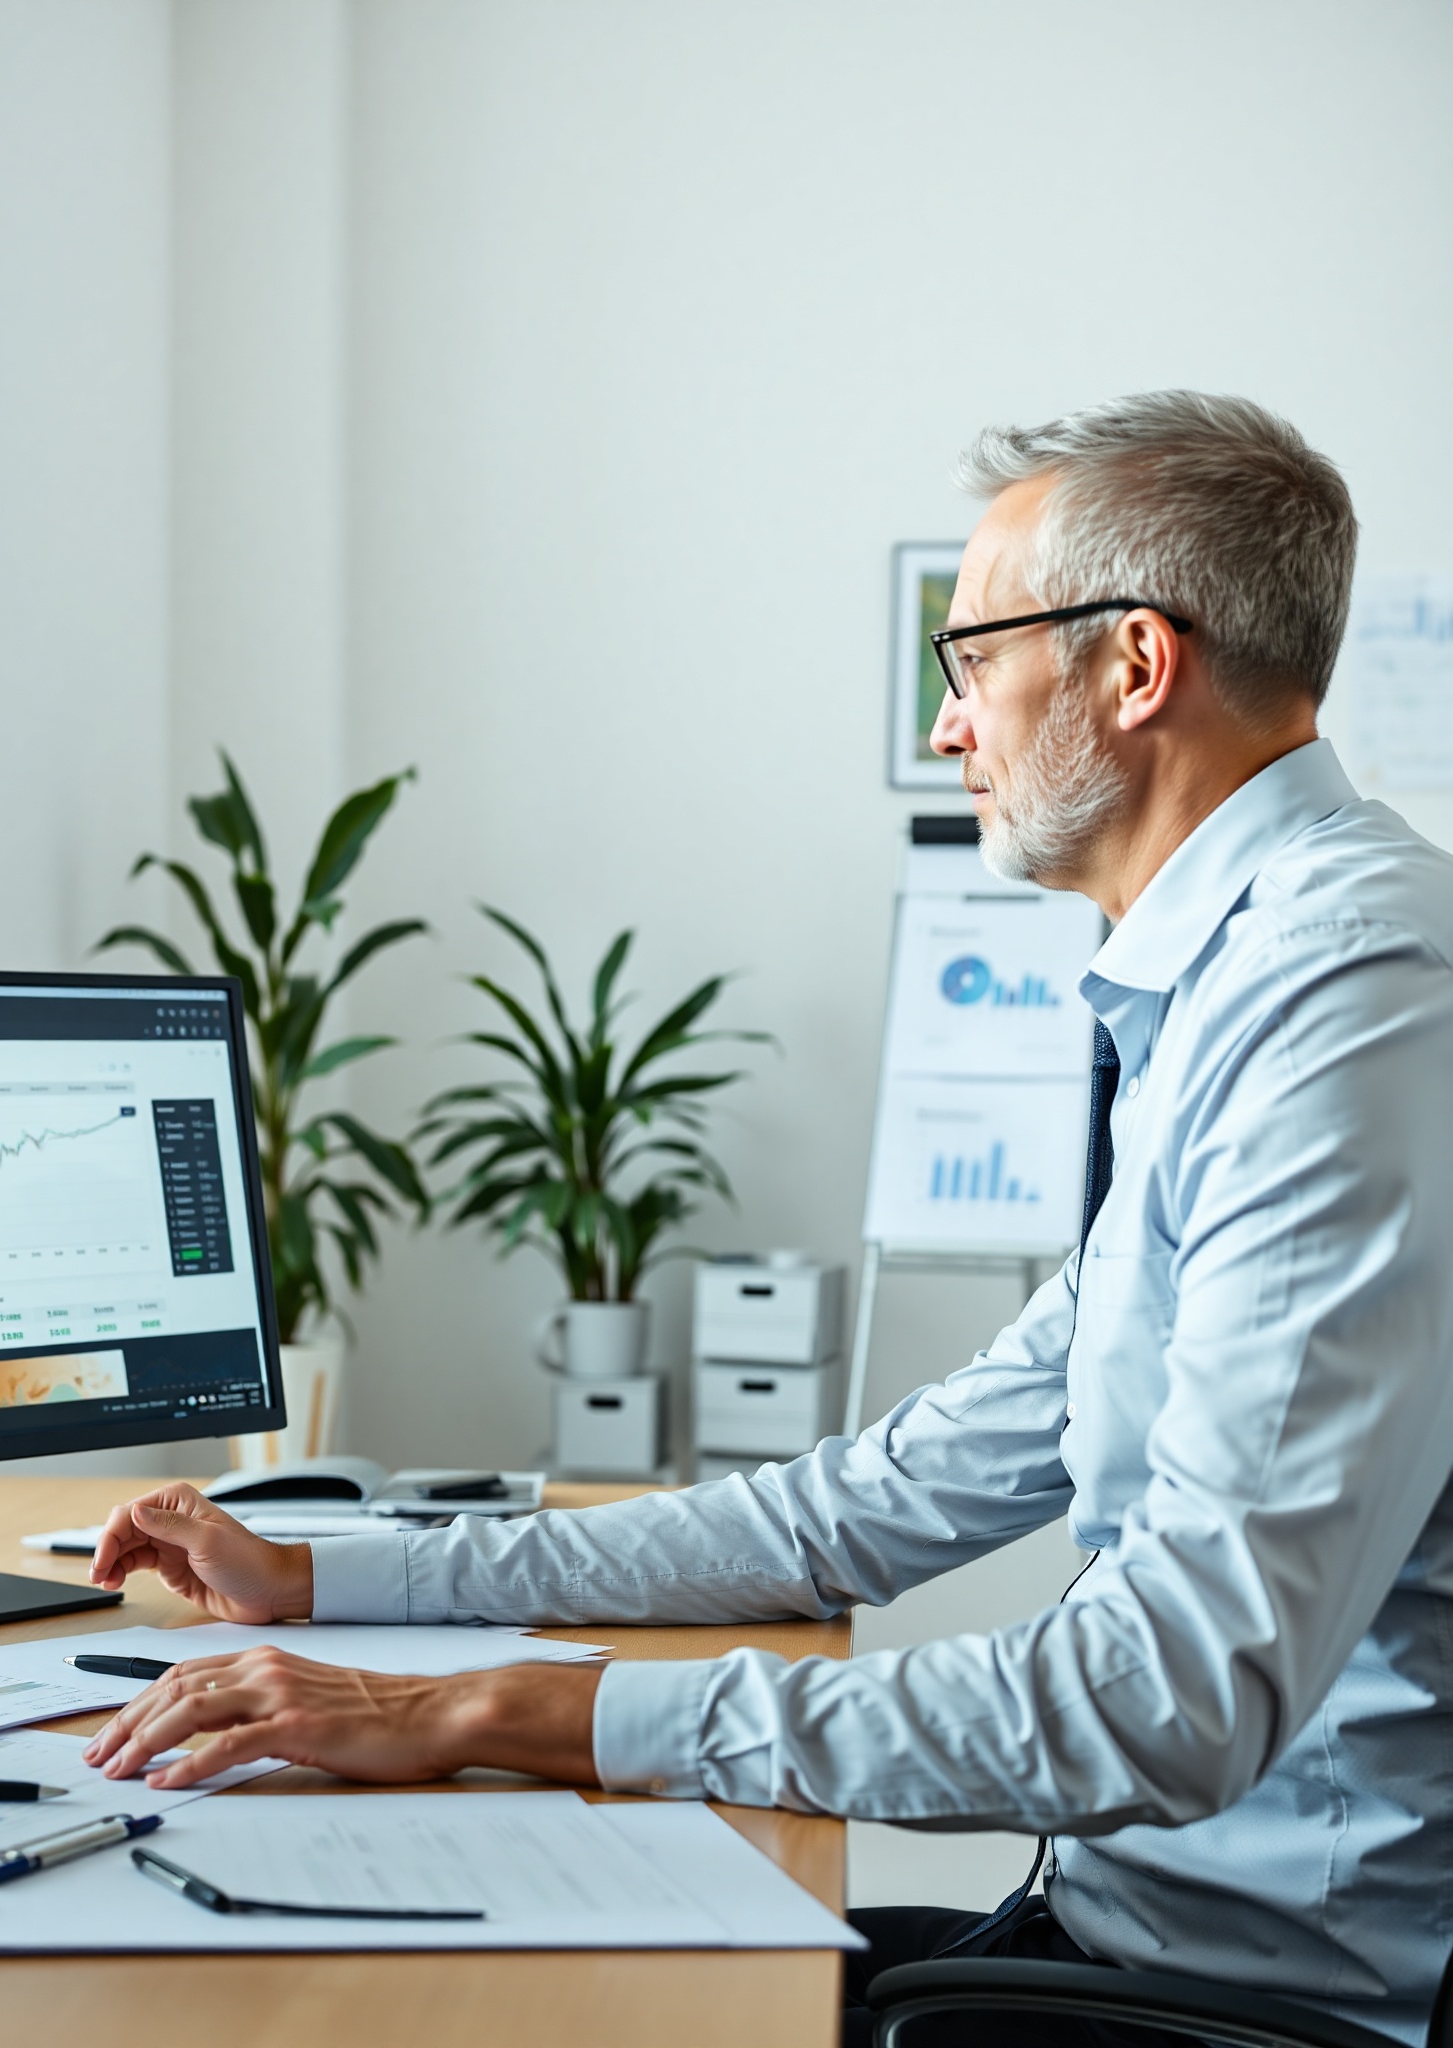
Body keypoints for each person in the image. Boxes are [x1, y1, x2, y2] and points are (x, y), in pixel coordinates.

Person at [85, 393, 1453, 2047]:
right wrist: (335, 1581)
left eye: (970, 663)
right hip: (1125, 1924)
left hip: (1268, 2006)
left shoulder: (1349, 1003)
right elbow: (858, 1513)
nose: (952, 725)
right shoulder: (1238, 984)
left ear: (1133, 668)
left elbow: (1171, 1700)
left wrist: (492, 1710)